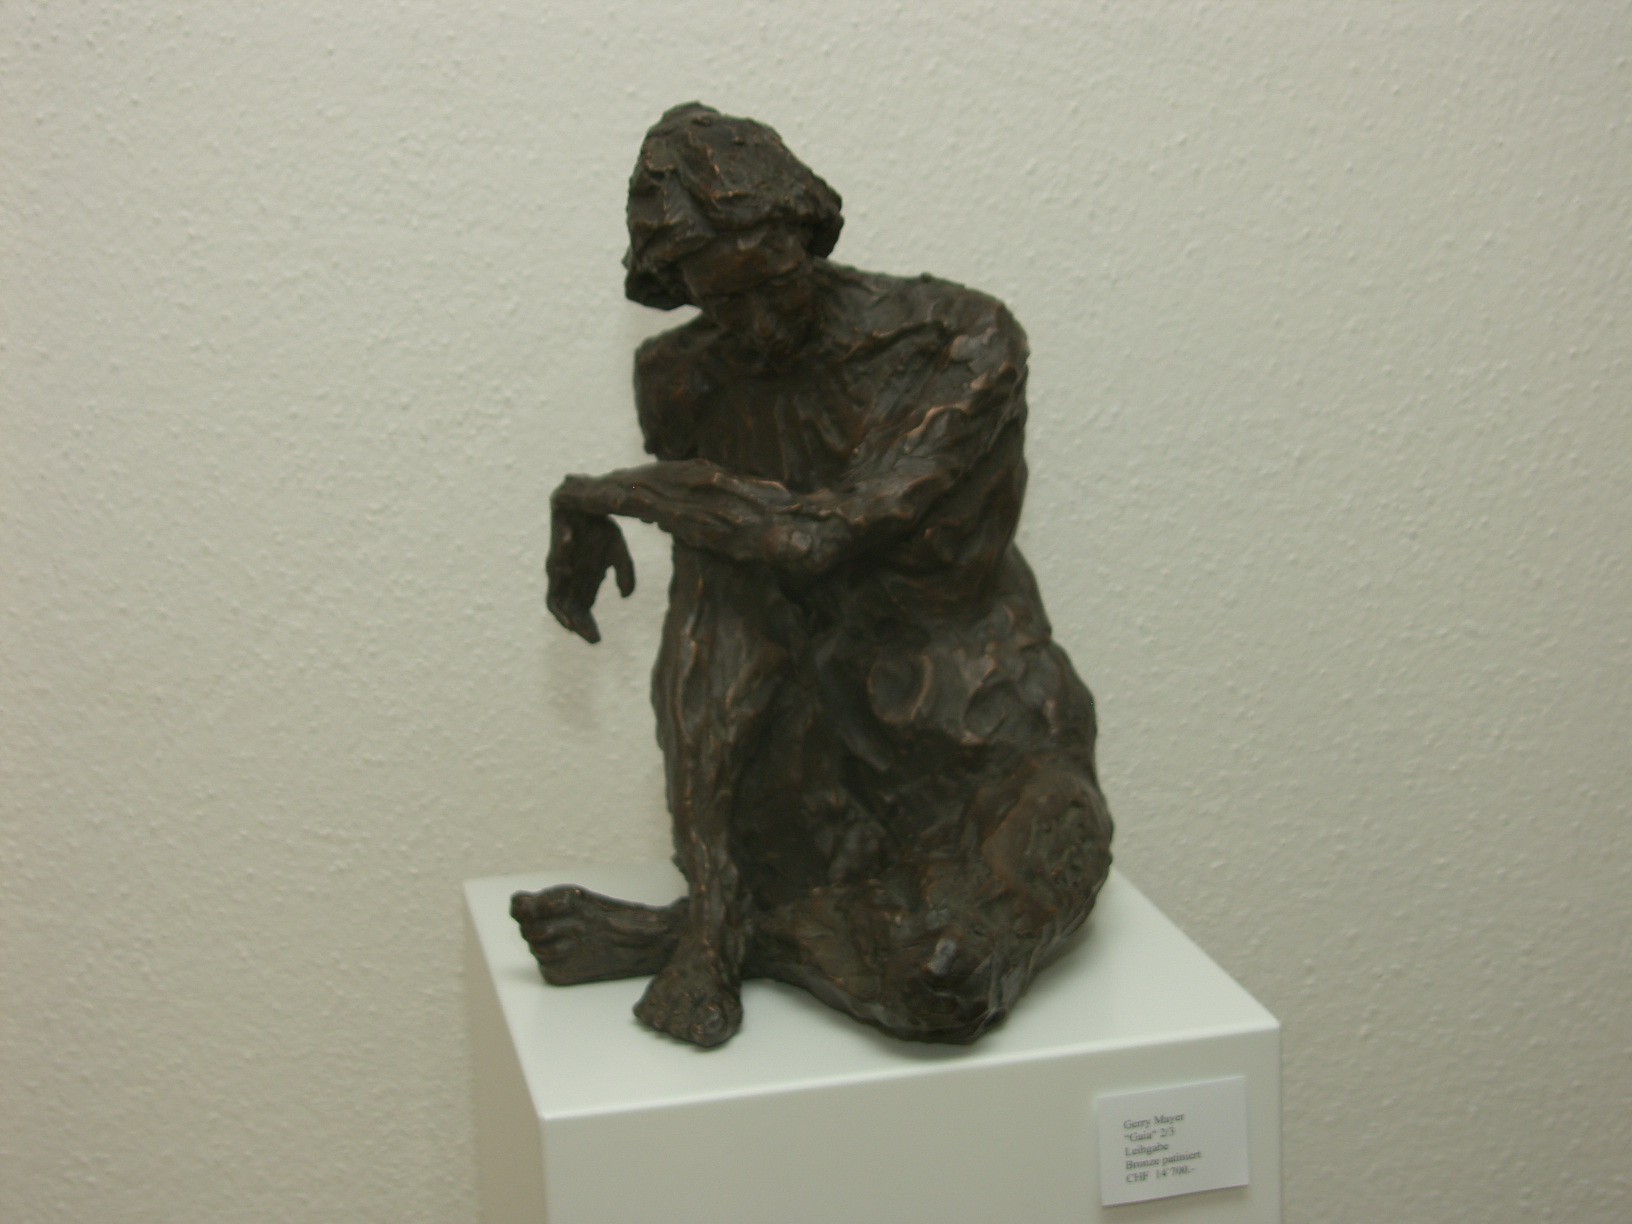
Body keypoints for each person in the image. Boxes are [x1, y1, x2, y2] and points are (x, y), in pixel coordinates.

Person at [512, 104, 1112, 1048]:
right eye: (721, 302)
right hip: (817, 770)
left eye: (772, 283)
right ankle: (722, 913)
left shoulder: (959, 340)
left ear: (808, 230)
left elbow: (824, 534)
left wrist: (609, 494)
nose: (756, 326)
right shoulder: (682, 379)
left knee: (948, 984)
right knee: (718, 591)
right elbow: (715, 618)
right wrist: (713, 862)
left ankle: (726, 937)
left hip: (993, 740)